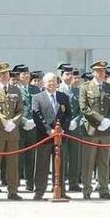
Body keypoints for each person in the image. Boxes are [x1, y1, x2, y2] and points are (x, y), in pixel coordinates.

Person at [78, 60, 110, 199]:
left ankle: (104, 189)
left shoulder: (108, 87)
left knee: (104, 161)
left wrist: (109, 120)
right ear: (94, 72)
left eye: (103, 71)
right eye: (99, 71)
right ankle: (87, 189)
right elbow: (84, 108)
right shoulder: (85, 87)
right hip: (91, 129)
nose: (101, 73)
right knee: (88, 161)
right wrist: (100, 120)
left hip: (106, 130)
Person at [0, 62, 24, 200]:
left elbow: (20, 110)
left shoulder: (16, 90)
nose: (6, 75)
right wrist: (4, 123)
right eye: (2, 73)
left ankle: (13, 190)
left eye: (7, 73)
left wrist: (13, 122)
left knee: (13, 163)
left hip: (13, 132)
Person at [31, 72, 72, 200]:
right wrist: (49, 131)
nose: (52, 83)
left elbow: (68, 115)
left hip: (60, 137)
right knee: (42, 164)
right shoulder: (37, 97)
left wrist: (62, 129)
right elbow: (37, 116)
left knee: (60, 164)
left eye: (54, 81)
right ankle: (39, 191)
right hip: (44, 137)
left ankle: (60, 190)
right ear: (44, 83)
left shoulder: (63, 97)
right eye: (49, 81)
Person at [11, 64, 38, 192]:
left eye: (27, 73)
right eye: (23, 74)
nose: (26, 76)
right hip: (19, 127)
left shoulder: (36, 89)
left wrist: (34, 121)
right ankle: (15, 183)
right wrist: (24, 121)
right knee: (18, 157)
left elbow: (39, 108)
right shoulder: (13, 90)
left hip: (33, 127)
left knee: (31, 156)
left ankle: (30, 182)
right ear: (18, 76)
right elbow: (12, 110)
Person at [58, 63, 82, 192]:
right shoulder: (57, 90)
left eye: (71, 74)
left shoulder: (77, 90)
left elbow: (82, 109)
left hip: (75, 128)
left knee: (75, 156)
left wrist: (76, 121)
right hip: (62, 128)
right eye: (66, 74)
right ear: (61, 76)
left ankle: (73, 183)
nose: (69, 76)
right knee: (61, 156)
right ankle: (59, 183)